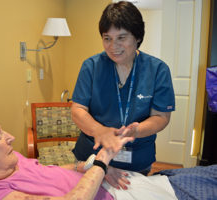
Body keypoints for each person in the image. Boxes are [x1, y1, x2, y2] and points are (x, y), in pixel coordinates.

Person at [71, 1, 175, 177]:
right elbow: (77, 110)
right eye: (107, 38)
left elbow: (161, 117)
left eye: (121, 37)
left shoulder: (157, 70)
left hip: (137, 161)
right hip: (92, 159)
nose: (113, 46)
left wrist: (136, 130)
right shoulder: (91, 67)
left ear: (137, 37)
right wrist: (100, 131)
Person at [0, 110, 135, 200]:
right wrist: (102, 161)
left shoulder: (11, 161)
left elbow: (45, 171)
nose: (11, 137)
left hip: (111, 187)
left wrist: (85, 167)